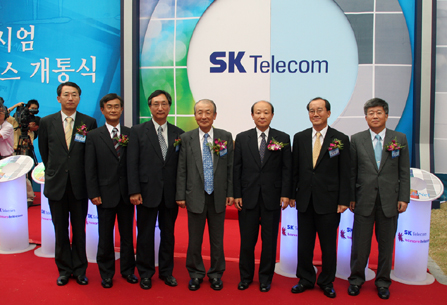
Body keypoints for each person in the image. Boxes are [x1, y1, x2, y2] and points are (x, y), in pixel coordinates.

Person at [348, 98, 410, 300]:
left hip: (389, 201)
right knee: (360, 244)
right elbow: (352, 172)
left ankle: (383, 282)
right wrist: (351, 197)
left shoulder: (398, 138)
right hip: (363, 199)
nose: (374, 116)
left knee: (386, 245)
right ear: (365, 117)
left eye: (378, 112)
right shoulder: (356, 139)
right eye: (370, 113)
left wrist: (404, 197)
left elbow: (403, 171)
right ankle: (356, 280)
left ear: (386, 115)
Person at [289, 97, 350, 298]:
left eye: (320, 110)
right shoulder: (299, 137)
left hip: (330, 202)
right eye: (311, 110)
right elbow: (294, 170)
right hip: (305, 200)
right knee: (304, 244)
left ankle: (326, 281)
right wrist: (291, 195)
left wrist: (343, 200)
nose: (315, 114)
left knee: (328, 245)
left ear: (328, 113)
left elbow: (344, 172)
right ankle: (305, 278)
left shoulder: (339, 139)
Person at [38, 81, 97, 286]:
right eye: (66, 94)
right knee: (60, 229)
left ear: (79, 98)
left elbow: (90, 155)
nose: (70, 98)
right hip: (57, 185)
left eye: (74, 94)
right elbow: (45, 152)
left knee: (79, 230)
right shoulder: (46, 122)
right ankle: (64, 269)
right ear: (58, 98)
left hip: (79, 186)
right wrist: (56, 171)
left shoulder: (88, 122)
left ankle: (80, 270)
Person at [127, 90, 184, 290]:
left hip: (170, 194)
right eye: (155, 104)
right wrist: (134, 191)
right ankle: (145, 272)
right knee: (145, 234)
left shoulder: (179, 133)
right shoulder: (137, 131)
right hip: (145, 192)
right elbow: (131, 164)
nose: (160, 108)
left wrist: (181, 193)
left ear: (169, 107)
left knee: (169, 234)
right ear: (150, 107)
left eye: (164, 104)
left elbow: (181, 168)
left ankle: (167, 272)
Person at [233, 100, 291, 292]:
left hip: (272, 197)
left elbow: (286, 169)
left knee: (269, 241)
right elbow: (237, 168)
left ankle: (266, 278)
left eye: (266, 112)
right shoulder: (242, 138)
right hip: (248, 197)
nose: (262, 116)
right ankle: (246, 277)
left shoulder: (282, 138)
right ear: (252, 115)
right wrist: (237, 194)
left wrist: (285, 194)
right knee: (247, 240)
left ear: (272, 115)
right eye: (258, 112)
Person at [176, 99, 234, 291]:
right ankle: (195, 273)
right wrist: (181, 195)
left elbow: (230, 168)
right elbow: (182, 169)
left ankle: (216, 274)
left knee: (217, 240)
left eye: (208, 112)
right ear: (195, 116)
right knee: (194, 240)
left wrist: (231, 193)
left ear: (214, 115)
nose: (203, 116)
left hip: (218, 196)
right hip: (195, 196)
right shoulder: (187, 138)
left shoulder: (225, 136)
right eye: (199, 112)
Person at [85, 93, 137, 288]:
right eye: (110, 107)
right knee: (105, 236)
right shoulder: (93, 136)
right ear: (103, 110)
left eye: (117, 107)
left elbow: (134, 165)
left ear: (122, 110)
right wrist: (94, 192)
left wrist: (134, 190)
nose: (113, 110)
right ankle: (106, 273)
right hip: (104, 195)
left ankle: (128, 270)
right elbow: (89, 168)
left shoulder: (130, 133)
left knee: (127, 235)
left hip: (126, 194)